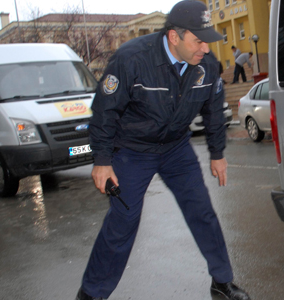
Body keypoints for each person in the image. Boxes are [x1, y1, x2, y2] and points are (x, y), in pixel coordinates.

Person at [76, 1, 250, 300]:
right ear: (174, 37)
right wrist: (103, 160)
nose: (206, 49)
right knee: (123, 222)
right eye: (198, 41)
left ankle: (222, 283)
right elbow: (105, 111)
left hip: (175, 149)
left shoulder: (206, 66)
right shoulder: (132, 59)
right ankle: (91, 294)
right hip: (132, 151)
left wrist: (218, 154)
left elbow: (213, 112)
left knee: (202, 212)